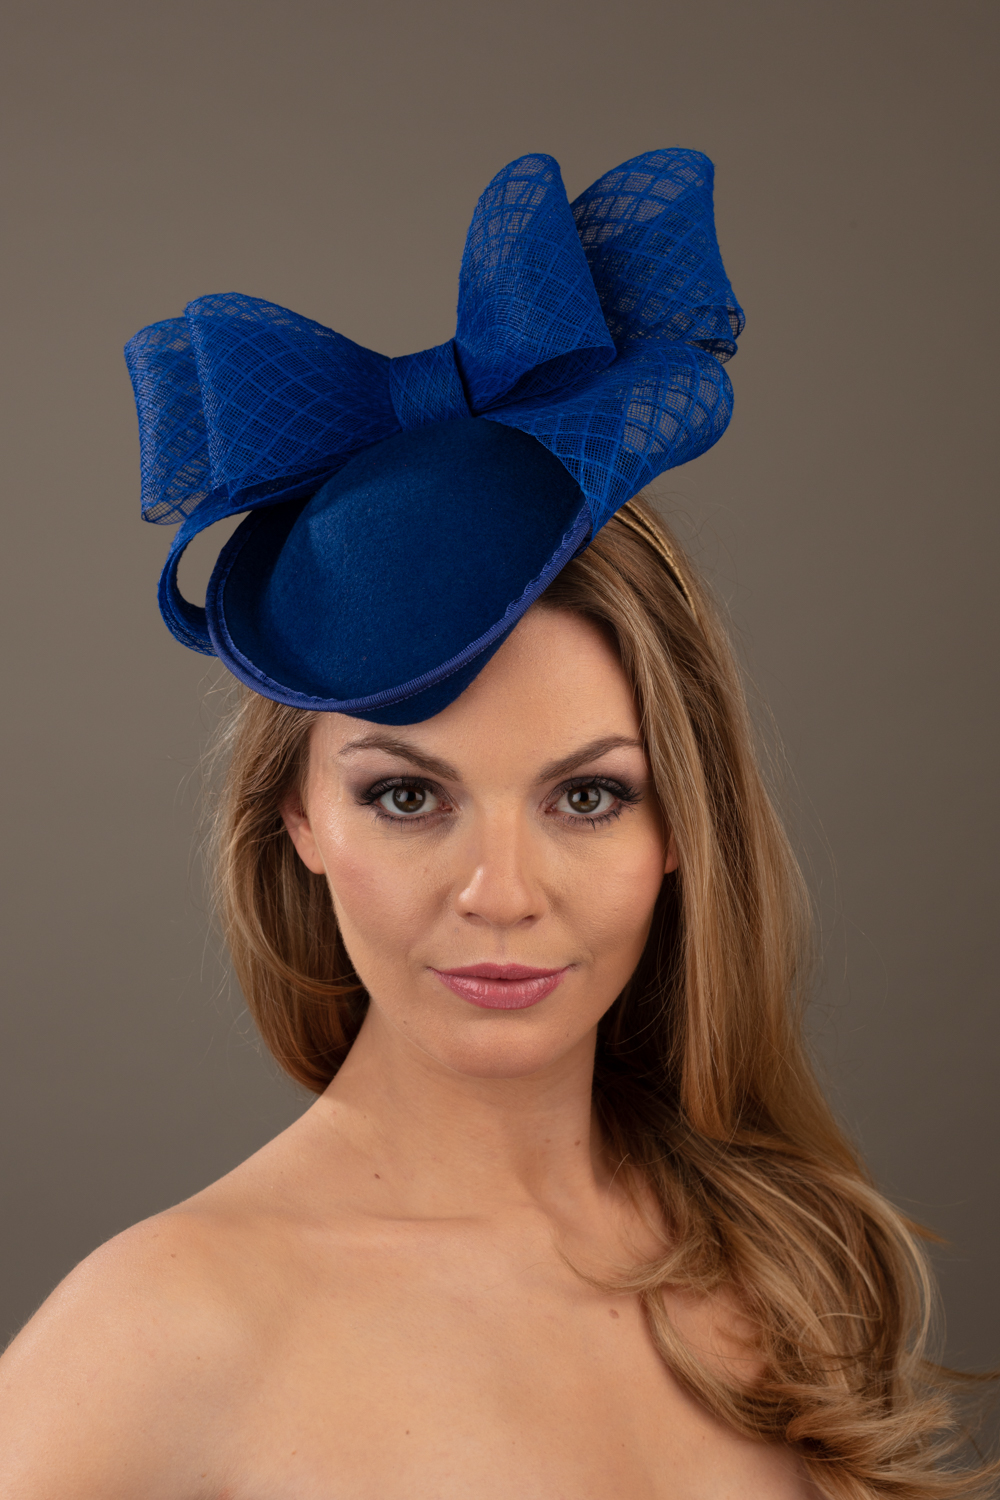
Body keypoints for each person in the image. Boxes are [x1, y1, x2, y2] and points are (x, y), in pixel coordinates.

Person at [0, 150, 991, 1500]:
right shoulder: (160, 1333)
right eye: (409, 796)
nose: (502, 892)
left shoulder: (796, 1268)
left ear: (682, 826)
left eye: (589, 796)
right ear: (299, 817)